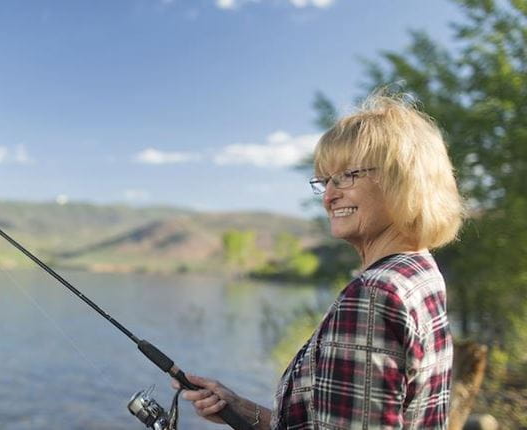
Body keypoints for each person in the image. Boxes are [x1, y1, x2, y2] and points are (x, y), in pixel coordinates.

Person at [174, 93, 464, 428]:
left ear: (402, 179)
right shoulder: (421, 272)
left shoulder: (372, 295)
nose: (328, 196)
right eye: (325, 181)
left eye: (346, 176)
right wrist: (241, 409)